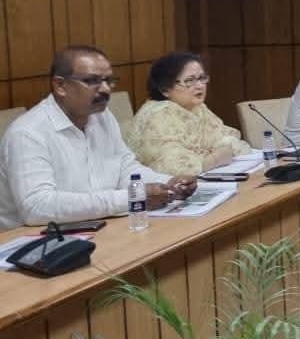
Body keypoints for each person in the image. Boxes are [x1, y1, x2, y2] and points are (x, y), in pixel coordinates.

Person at [0, 46, 196, 231]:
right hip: (37, 242)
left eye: (108, 81)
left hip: (96, 227)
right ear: (60, 86)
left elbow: (124, 168)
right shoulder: (27, 133)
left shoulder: (102, 116)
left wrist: (168, 184)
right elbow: (37, 207)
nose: (105, 89)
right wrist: (132, 197)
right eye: (92, 81)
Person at [126, 52, 253, 176]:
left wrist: (213, 155)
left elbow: (230, 142)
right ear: (165, 89)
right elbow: (173, 166)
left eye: (202, 78)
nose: (200, 86)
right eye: (190, 80)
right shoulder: (158, 115)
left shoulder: (197, 108)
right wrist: (214, 159)